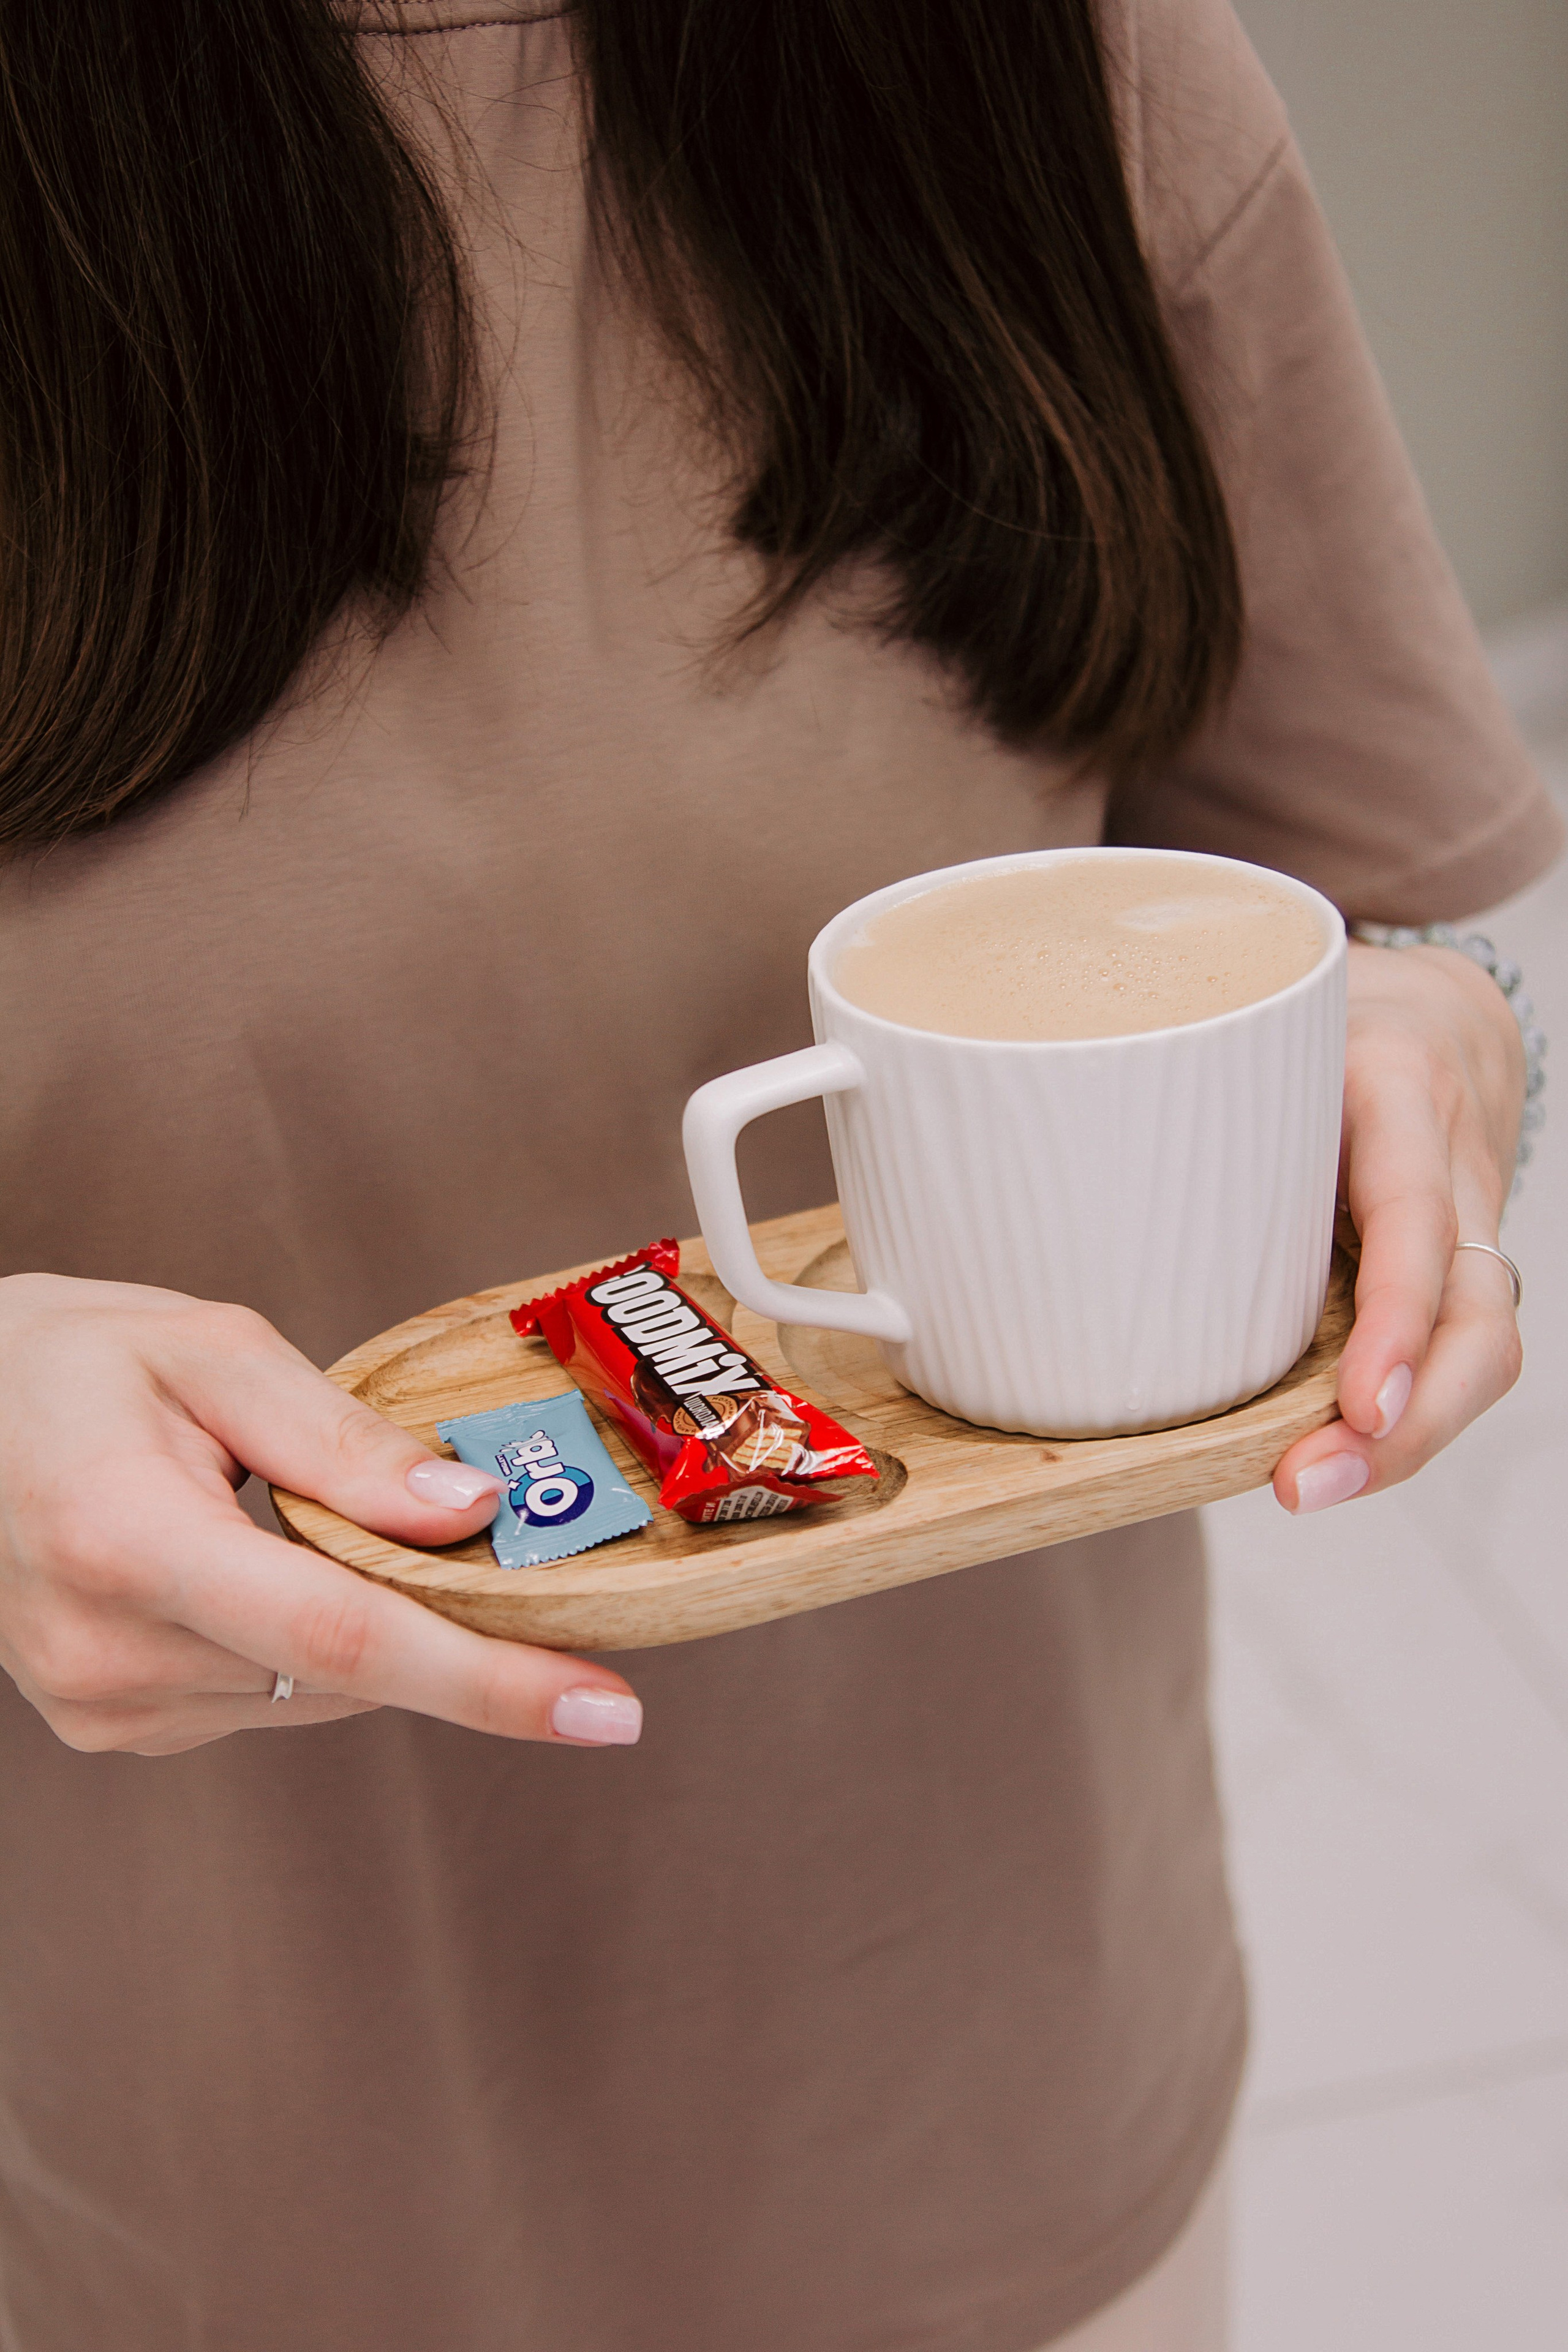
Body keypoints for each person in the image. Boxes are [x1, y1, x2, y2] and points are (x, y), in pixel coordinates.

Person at [0, 1, 1557, 2346]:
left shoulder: (1065, 54)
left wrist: (1443, 1031)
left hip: (1022, 2113)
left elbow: (1385, 916)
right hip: (198, 2194)